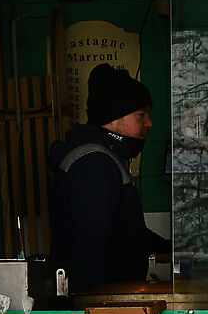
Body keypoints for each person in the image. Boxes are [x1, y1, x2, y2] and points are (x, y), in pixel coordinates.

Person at [48, 64, 169, 297]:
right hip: (101, 305)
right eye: (141, 115)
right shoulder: (94, 163)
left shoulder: (107, 158)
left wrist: (168, 247)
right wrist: (99, 305)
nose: (149, 123)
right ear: (113, 118)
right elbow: (89, 249)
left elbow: (125, 231)